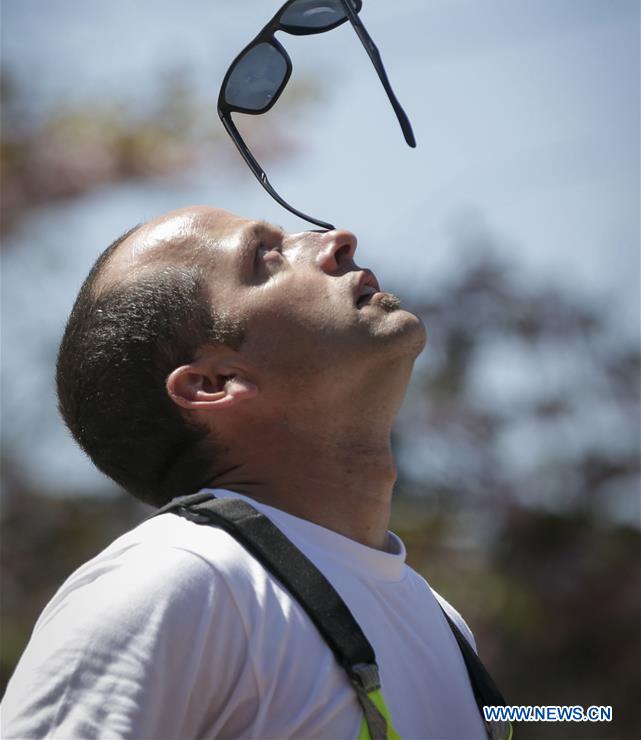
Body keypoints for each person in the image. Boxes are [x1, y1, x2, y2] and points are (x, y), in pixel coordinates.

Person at [1, 205, 489, 739]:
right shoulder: (178, 580)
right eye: (265, 258)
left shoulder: (442, 621)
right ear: (216, 382)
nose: (339, 240)